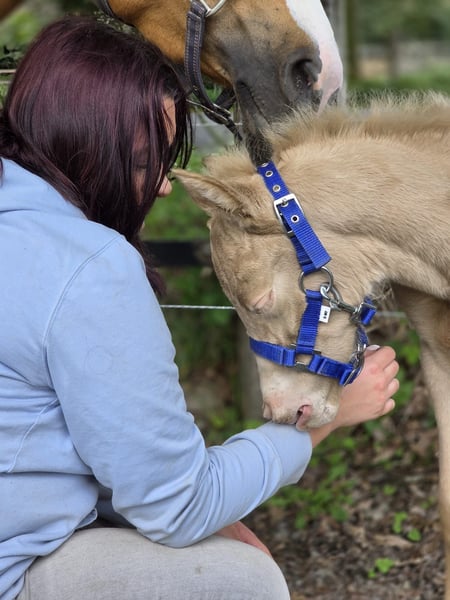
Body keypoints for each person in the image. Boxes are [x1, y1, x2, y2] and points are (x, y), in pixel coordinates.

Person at [0, 16, 399, 600]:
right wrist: (324, 425)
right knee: (242, 580)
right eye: (144, 162)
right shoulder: (88, 267)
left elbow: (59, 438)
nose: (163, 187)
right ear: (81, 143)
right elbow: (179, 506)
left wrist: (214, 514)